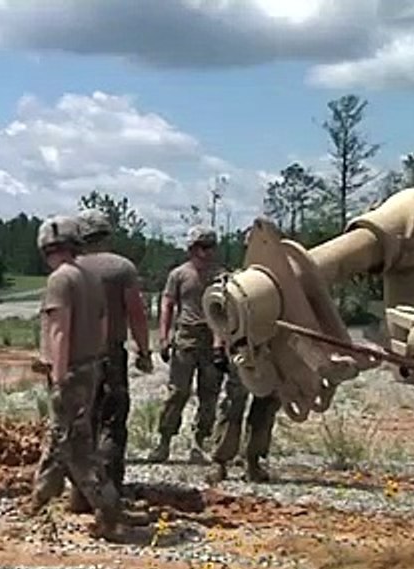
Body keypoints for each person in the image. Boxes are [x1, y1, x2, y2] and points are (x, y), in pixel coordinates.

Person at [25, 215, 149, 540]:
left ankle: (109, 513)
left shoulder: (60, 280)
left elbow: (59, 329)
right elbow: (104, 324)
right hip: (92, 365)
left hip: (71, 371)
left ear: (46, 247)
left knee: (77, 447)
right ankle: (38, 501)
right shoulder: (91, 278)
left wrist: (59, 373)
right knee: (60, 439)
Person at [70, 208, 153, 512]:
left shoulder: (69, 269)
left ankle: (80, 493)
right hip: (110, 354)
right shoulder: (122, 268)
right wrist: (144, 351)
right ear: (107, 234)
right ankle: (109, 491)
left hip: (77, 356)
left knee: (81, 423)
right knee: (112, 422)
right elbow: (136, 314)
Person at [150, 226, 224, 463]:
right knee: (178, 393)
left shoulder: (221, 276)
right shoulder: (179, 275)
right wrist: (164, 337)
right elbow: (168, 305)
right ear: (192, 249)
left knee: (209, 395)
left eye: (210, 246)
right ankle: (164, 441)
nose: (206, 252)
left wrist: (221, 343)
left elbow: (228, 311)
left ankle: (199, 443)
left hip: (212, 339)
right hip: (186, 338)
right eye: (201, 247)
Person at [207, 285, 283, 483]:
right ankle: (220, 461)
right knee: (232, 405)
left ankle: (253, 462)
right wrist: (218, 346)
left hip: (272, 352)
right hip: (242, 348)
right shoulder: (242, 284)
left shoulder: (288, 288)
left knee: (265, 408)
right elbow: (223, 316)